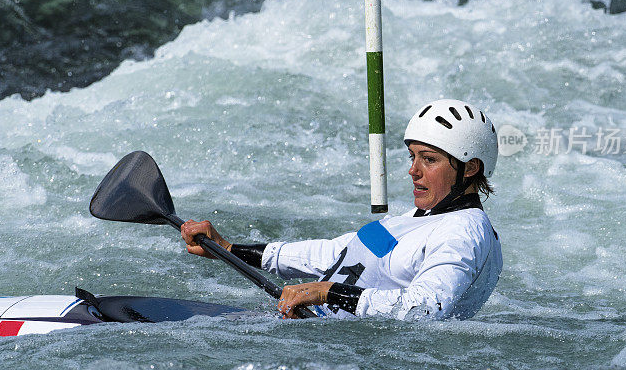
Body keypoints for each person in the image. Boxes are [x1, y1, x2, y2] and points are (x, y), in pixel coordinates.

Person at [181, 99, 502, 320]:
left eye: (429, 160)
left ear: (470, 167)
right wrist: (229, 249)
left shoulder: (462, 233)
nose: (413, 171)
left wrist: (328, 293)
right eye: (412, 157)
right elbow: (337, 253)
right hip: (303, 327)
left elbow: (424, 310)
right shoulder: (418, 220)